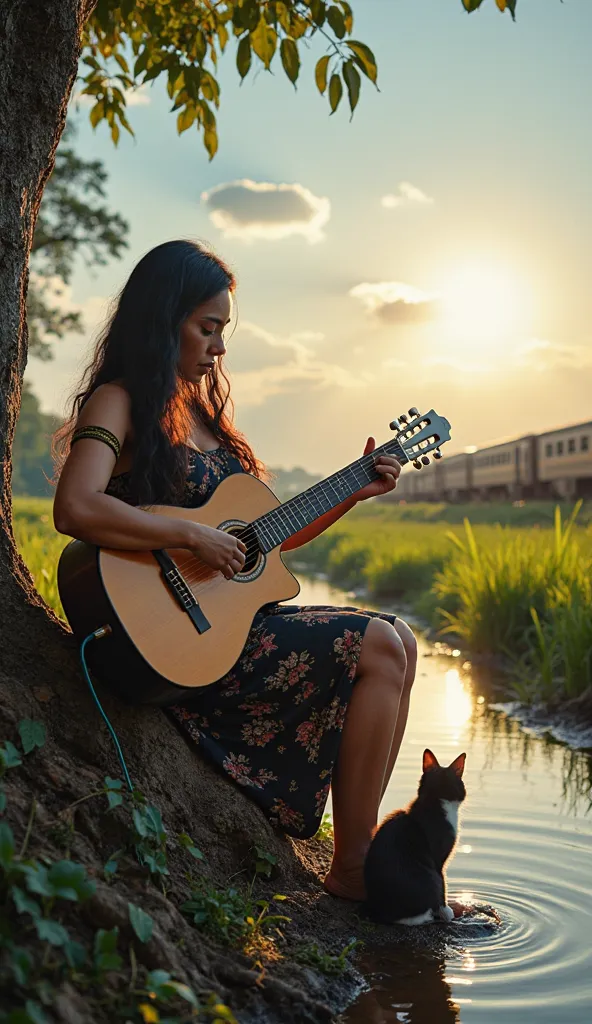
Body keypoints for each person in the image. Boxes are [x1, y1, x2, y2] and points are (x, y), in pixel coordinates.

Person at [52, 239, 417, 902]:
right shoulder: (119, 400)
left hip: (229, 631)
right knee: (382, 643)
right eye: (207, 328)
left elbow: (265, 544)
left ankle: (356, 853)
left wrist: (353, 490)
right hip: (168, 642)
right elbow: (75, 507)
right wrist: (188, 531)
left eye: (223, 331)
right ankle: (355, 869)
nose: (219, 348)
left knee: (400, 639)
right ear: (163, 319)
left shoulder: (205, 416)